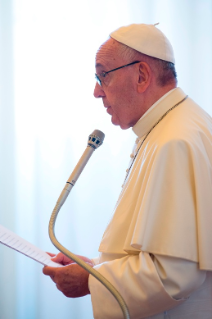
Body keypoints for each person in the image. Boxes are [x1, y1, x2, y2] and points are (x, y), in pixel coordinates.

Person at [43, 23, 212, 318]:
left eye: (103, 76)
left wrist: (91, 281)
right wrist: (96, 268)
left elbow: (174, 274)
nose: (97, 91)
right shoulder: (170, 127)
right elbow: (154, 254)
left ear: (142, 75)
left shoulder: (175, 140)